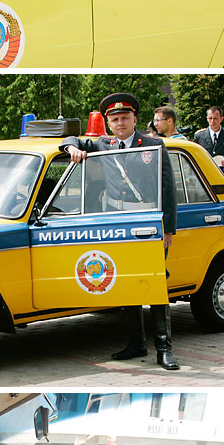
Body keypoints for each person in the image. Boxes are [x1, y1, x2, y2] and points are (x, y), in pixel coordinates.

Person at [59, 92, 179, 370]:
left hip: (147, 222)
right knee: (125, 283)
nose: (120, 122)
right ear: (108, 123)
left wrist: (168, 229)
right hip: (117, 222)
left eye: (125, 117)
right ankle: (136, 343)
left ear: (135, 118)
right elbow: (73, 140)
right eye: (115, 119)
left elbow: (168, 188)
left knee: (155, 285)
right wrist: (70, 150)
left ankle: (164, 348)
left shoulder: (153, 144)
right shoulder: (104, 143)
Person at [193, 105, 224, 181]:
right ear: (207, 118)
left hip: (223, 177)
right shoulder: (199, 136)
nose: (212, 121)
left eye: (215, 118)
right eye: (210, 118)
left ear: (221, 119)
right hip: (204, 178)